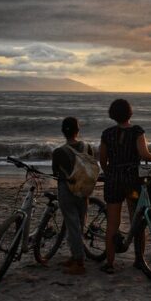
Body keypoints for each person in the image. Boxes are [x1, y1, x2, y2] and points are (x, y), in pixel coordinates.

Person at [99, 99, 151, 274]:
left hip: (113, 181)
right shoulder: (137, 131)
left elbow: (102, 159)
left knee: (113, 223)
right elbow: (144, 154)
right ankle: (139, 260)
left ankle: (110, 263)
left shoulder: (107, 134)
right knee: (137, 219)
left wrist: (110, 172)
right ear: (130, 113)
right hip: (132, 182)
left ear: (112, 114)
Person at [52, 117, 94, 275]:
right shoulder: (87, 147)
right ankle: (74, 256)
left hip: (67, 191)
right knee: (79, 224)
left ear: (63, 131)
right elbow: (91, 164)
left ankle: (79, 261)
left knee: (72, 225)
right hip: (84, 190)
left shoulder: (58, 152)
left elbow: (56, 173)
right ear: (78, 130)